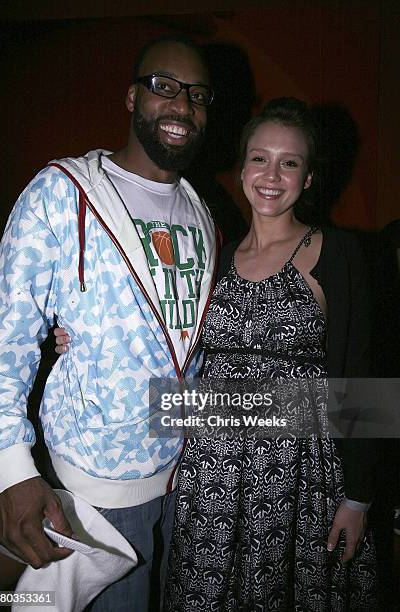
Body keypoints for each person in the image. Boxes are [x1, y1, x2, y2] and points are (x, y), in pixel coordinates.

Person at [0, 36, 218, 611]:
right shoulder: (63, 193)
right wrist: (12, 470)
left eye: (197, 95)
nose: (181, 106)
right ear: (130, 97)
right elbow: (4, 335)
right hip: (95, 483)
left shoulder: (202, 209)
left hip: (187, 474)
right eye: (163, 86)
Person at [161, 98, 377, 611]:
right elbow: (168, 339)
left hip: (297, 479)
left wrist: (359, 496)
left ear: (308, 177)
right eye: (260, 158)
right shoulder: (214, 255)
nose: (272, 175)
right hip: (211, 478)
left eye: (290, 162)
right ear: (241, 170)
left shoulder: (336, 253)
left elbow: (363, 382)